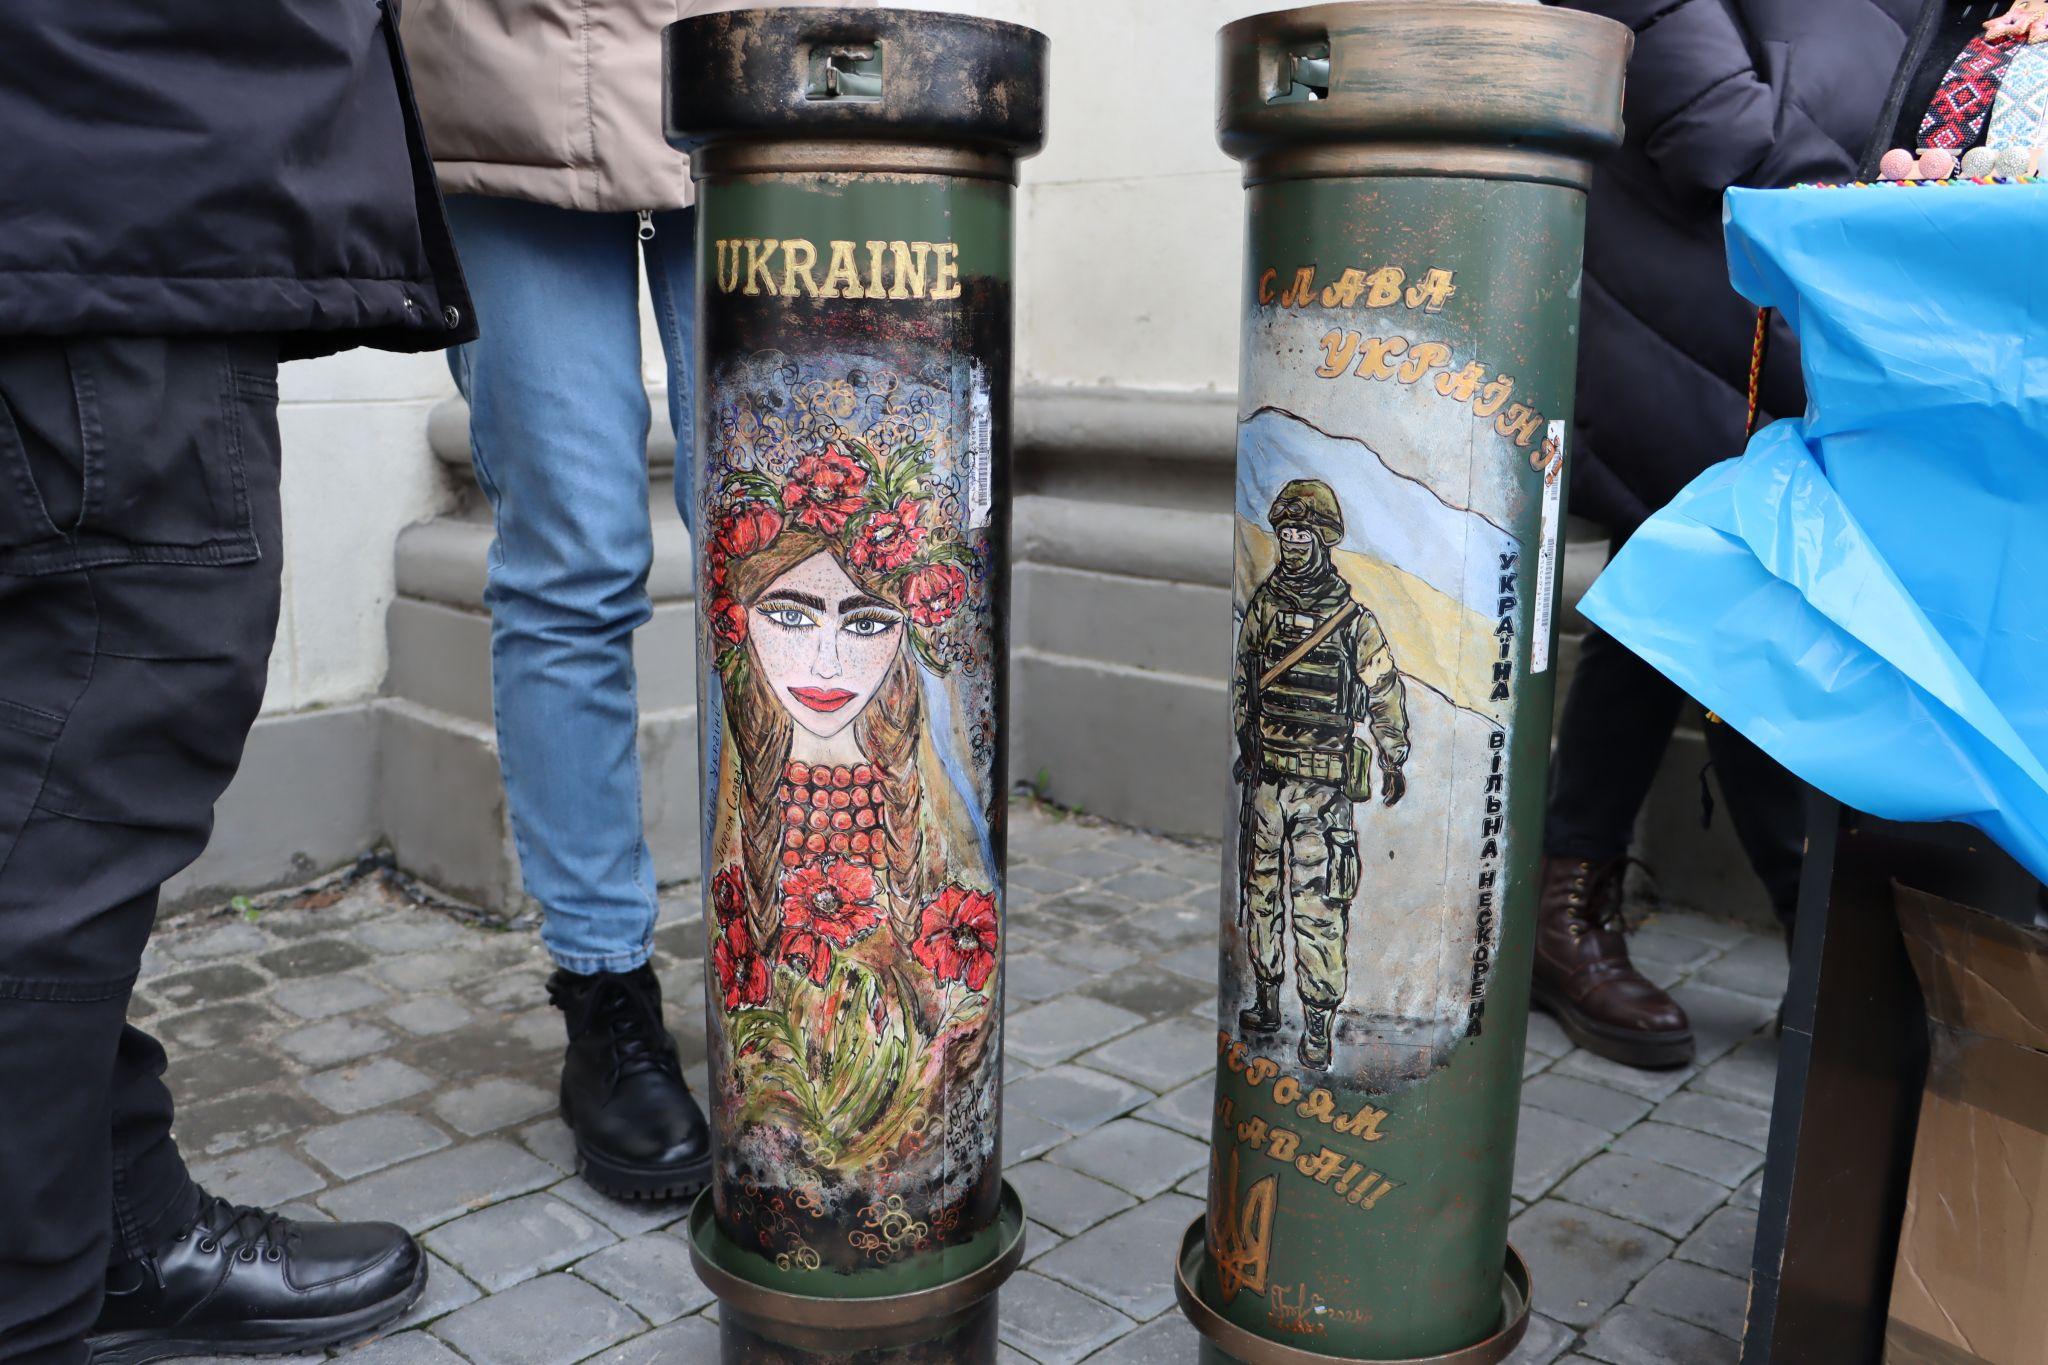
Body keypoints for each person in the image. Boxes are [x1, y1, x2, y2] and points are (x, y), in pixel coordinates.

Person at [0, 4, 473, 1361]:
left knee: (41, 783)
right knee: (83, 781)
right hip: (102, 177)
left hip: (88, 181)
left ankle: (113, 1226)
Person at [397, 0, 842, 1201]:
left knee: (783, 564)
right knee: (570, 560)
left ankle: (804, 955)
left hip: (751, 70)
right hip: (497, 74)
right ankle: (605, 998)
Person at [1538, 0, 1918, 1067]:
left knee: (1698, 562)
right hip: (1721, 243)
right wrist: (1803, 178)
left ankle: (1569, 902)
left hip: (1828, 266)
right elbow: (1673, 56)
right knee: (1731, 558)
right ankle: (1819, 945)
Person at [1232, 480, 1411, 1071]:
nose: (1292, 544)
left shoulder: (1353, 620)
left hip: (1322, 789)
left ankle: (1316, 1024)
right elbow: (1244, 678)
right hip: (1266, 781)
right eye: (1286, 533)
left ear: (1324, 540)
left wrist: (1393, 753)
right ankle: (1265, 997)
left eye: (1304, 534)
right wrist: (1245, 742)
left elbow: (1383, 687)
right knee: (1261, 897)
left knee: (1317, 907)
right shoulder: (1264, 604)